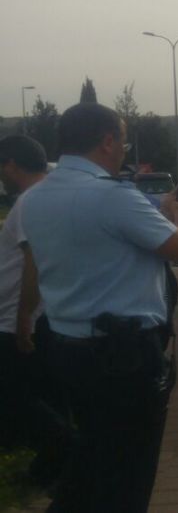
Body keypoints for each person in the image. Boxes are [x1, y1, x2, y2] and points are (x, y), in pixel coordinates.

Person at [17, 102, 178, 512]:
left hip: (67, 346)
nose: (123, 149)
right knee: (130, 473)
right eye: (122, 140)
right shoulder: (111, 196)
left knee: (94, 458)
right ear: (107, 141)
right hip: (123, 358)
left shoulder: (35, 199)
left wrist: (163, 210)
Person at [0, 135, 70, 493]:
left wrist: (23, 317)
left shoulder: (29, 201)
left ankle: (59, 457)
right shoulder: (53, 195)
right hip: (39, 316)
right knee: (42, 392)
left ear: (11, 164)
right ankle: (53, 468)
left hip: (15, 320)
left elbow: (33, 260)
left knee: (12, 397)